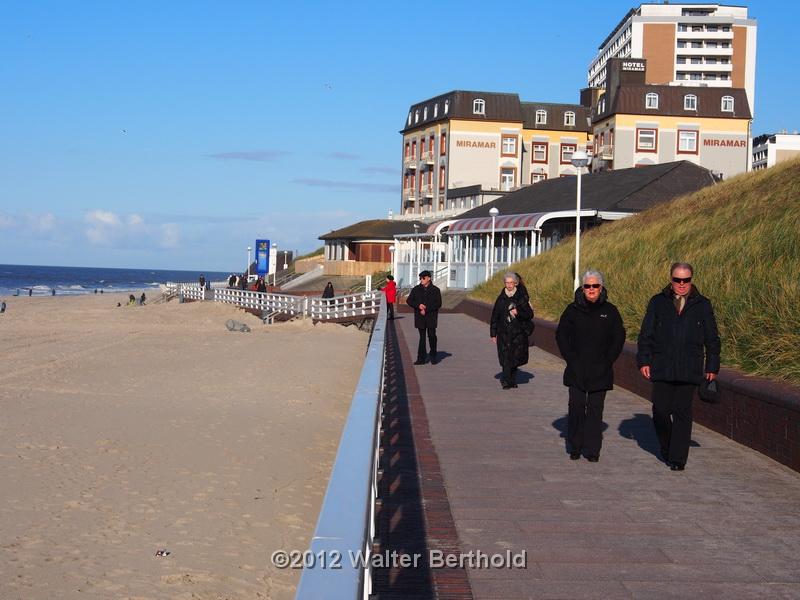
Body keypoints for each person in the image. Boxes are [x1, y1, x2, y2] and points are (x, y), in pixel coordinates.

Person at [637, 262, 721, 471]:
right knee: (661, 410)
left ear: (691, 280)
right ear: (671, 280)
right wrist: (644, 360)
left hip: (689, 367)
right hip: (662, 366)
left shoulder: (702, 304)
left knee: (683, 411)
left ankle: (678, 458)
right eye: (677, 280)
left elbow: (712, 338)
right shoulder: (658, 302)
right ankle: (666, 447)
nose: (682, 284)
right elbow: (646, 334)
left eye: (686, 280)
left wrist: (712, 365)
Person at [556, 270, 626, 462]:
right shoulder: (572, 310)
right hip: (577, 369)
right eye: (588, 286)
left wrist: (608, 359)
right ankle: (575, 445)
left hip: (601, 369)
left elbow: (618, 337)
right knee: (577, 406)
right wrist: (570, 358)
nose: (591, 289)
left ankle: (593, 449)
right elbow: (561, 335)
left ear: (601, 287)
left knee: (596, 409)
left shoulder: (610, 311)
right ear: (583, 288)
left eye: (595, 286)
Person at [490, 272, 534, 389]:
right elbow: (495, 316)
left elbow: (530, 314)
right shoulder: (501, 298)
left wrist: (518, 312)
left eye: (511, 283)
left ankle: (512, 380)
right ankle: (505, 380)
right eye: (507, 283)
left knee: (515, 358)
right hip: (503, 333)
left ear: (515, 283)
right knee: (505, 357)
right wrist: (493, 334)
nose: (509, 285)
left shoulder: (521, 298)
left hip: (518, 334)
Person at [406, 270, 442, 365]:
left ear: (429, 278)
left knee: (432, 336)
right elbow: (409, 300)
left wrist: (426, 308)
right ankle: (421, 358)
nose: (421, 280)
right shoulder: (416, 289)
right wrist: (418, 305)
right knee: (422, 338)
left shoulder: (435, 290)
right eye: (420, 278)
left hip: (431, 317)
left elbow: (438, 303)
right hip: (420, 318)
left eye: (423, 278)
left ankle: (433, 355)